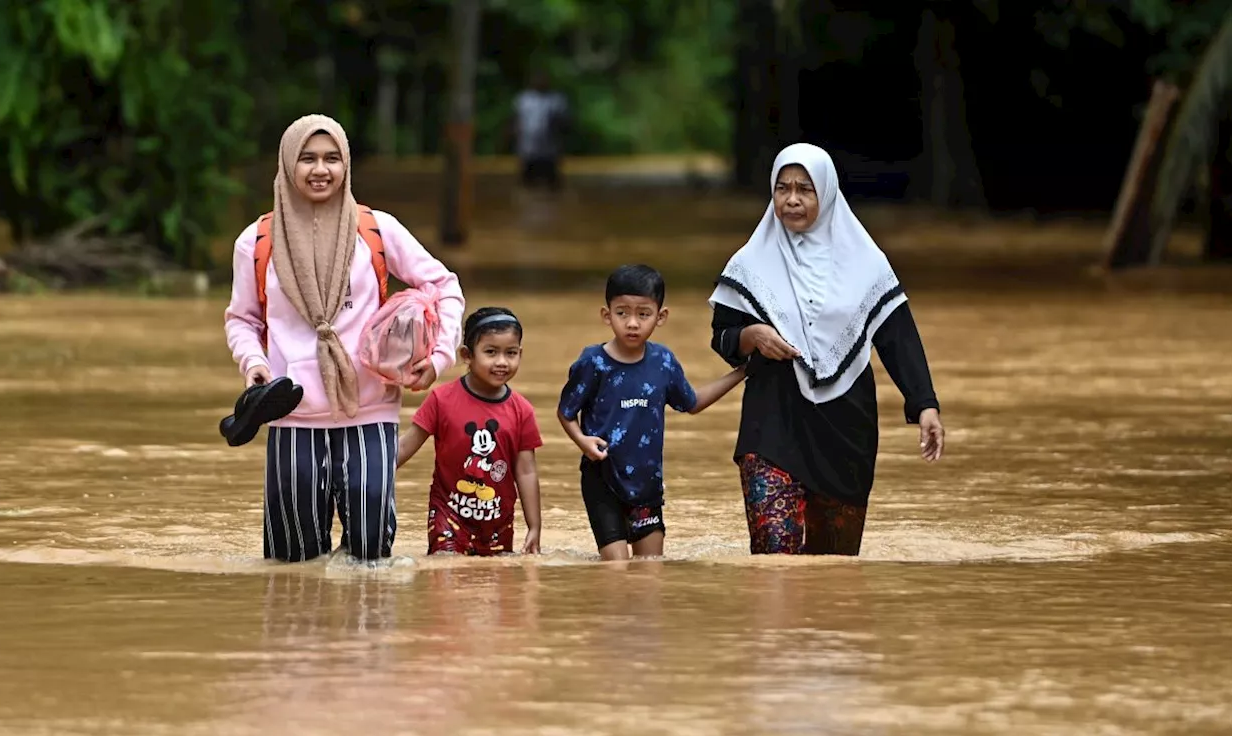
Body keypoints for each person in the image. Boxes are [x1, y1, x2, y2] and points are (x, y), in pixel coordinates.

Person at [225, 114, 465, 562]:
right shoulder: (257, 241)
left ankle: (364, 636)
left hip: (370, 407)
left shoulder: (376, 230)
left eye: (332, 158)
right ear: (287, 165)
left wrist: (437, 358)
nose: (321, 170)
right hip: (291, 412)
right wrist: (254, 364)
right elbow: (242, 319)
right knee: (293, 563)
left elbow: (445, 286)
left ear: (347, 165)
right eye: (308, 159)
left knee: (372, 554)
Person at [710, 142, 944, 557]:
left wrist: (925, 405)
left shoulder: (867, 264)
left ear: (827, 192)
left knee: (834, 572)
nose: (792, 199)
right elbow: (723, 337)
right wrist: (755, 336)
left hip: (845, 430)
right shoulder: (749, 263)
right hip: (771, 425)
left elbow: (898, 338)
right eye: (783, 188)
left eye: (805, 189)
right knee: (773, 561)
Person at [558, 264, 746, 561]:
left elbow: (692, 403)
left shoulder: (663, 362)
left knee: (650, 572)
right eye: (622, 313)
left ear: (661, 317)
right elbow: (565, 412)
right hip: (602, 478)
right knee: (616, 569)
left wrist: (742, 373)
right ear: (607, 315)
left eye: (643, 314)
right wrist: (583, 442)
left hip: (647, 483)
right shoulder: (592, 362)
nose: (632, 323)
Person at [396, 308, 543, 556]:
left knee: (494, 584)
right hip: (448, 515)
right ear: (467, 355)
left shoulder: (522, 411)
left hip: (497, 521)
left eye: (511, 353)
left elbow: (526, 471)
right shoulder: (441, 400)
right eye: (490, 352)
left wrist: (535, 526)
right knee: (446, 569)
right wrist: (367, 478)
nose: (501, 362)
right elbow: (404, 447)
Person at [511, 71, 569, 191]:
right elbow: (515, 119)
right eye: (537, 80)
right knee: (527, 182)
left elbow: (564, 122)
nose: (540, 82)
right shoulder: (524, 99)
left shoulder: (556, 100)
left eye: (543, 80)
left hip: (550, 148)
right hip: (528, 147)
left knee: (552, 183)